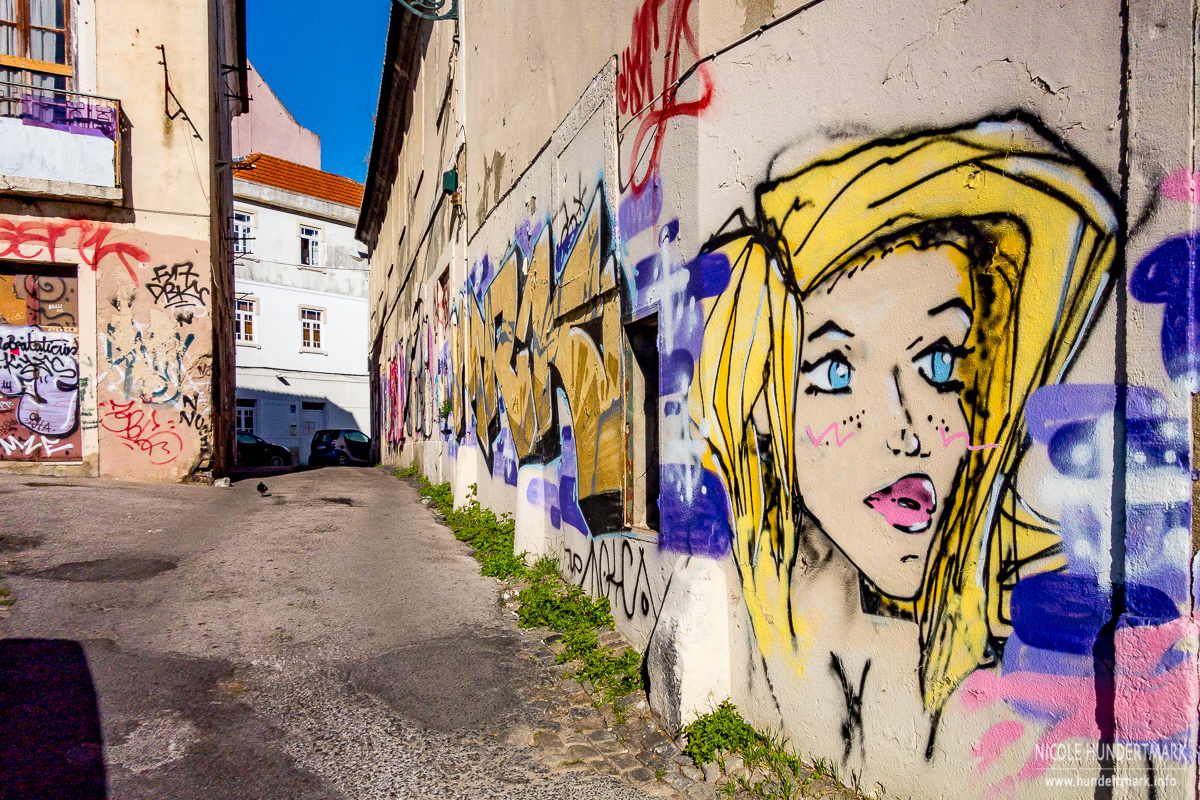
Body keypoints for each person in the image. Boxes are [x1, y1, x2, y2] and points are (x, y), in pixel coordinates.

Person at [694, 117, 1118, 793]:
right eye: (835, 370)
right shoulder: (767, 604)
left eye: (940, 362)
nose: (907, 430)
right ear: (768, 405)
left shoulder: (1044, 639)